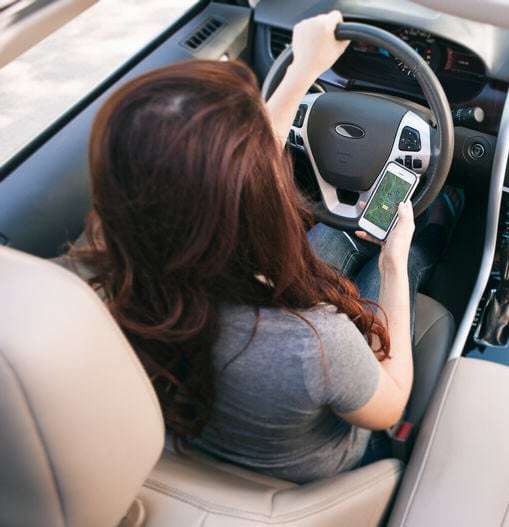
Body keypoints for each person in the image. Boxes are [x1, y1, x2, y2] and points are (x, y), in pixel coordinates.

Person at [71, 11, 459, 483]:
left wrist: (302, 73)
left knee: (337, 235)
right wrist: (395, 265)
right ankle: (426, 246)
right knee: (390, 264)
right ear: (241, 200)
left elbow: (235, 172)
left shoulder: (108, 281)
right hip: (320, 473)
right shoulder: (313, 340)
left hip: (208, 435)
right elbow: (391, 402)